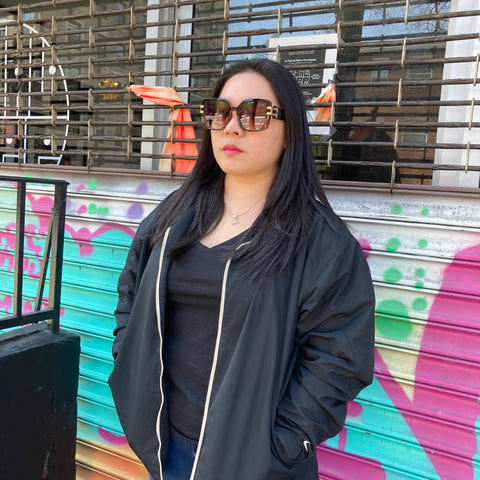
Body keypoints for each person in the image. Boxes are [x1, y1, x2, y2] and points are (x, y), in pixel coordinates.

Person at [108, 58, 375, 480]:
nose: (231, 127)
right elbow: (131, 292)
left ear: (291, 133)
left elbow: (339, 358)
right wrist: (128, 361)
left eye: (254, 113)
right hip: (166, 444)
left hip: (256, 463)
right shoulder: (176, 214)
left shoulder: (321, 243)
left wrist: (282, 443)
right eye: (219, 111)